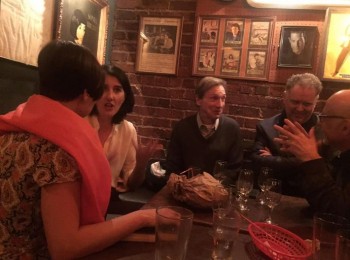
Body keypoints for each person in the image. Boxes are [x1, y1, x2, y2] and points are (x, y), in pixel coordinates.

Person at [0, 40, 156, 259]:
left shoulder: (13, 124)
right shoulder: (58, 151)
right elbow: (66, 247)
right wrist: (144, 218)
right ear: (85, 94)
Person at [87, 65, 160, 207]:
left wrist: (141, 163)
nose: (110, 96)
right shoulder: (81, 122)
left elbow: (132, 184)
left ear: (125, 95)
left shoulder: (128, 130)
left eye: (117, 90)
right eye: (103, 88)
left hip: (105, 200)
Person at [274, 90, 350, 218]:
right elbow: (317, 202)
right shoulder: (340, 155)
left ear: (346, 127)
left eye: (325, 117)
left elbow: (339, 213)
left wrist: (311, 159)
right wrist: (311, 157)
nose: (320, 123)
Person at [251, 73, 323, 196]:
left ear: (315, 102)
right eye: (295, 102)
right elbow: (258, 162)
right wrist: (308, 160)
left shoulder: (324, 130)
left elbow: (327, 169)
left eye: (306, 104)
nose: (300, 109)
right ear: (284, 98)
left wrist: (273, 159)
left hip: (310, 201)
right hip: (272, 197)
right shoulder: (266, 127)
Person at [164, 76, 243, 185]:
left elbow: (235, 169)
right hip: (187, 191)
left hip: (217, 192)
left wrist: (213, 186)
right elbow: (172, 167)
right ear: (198, 100)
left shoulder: (232, 128)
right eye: (214, 98)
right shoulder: (182, 128)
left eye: (223, 98)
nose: (220, 105)